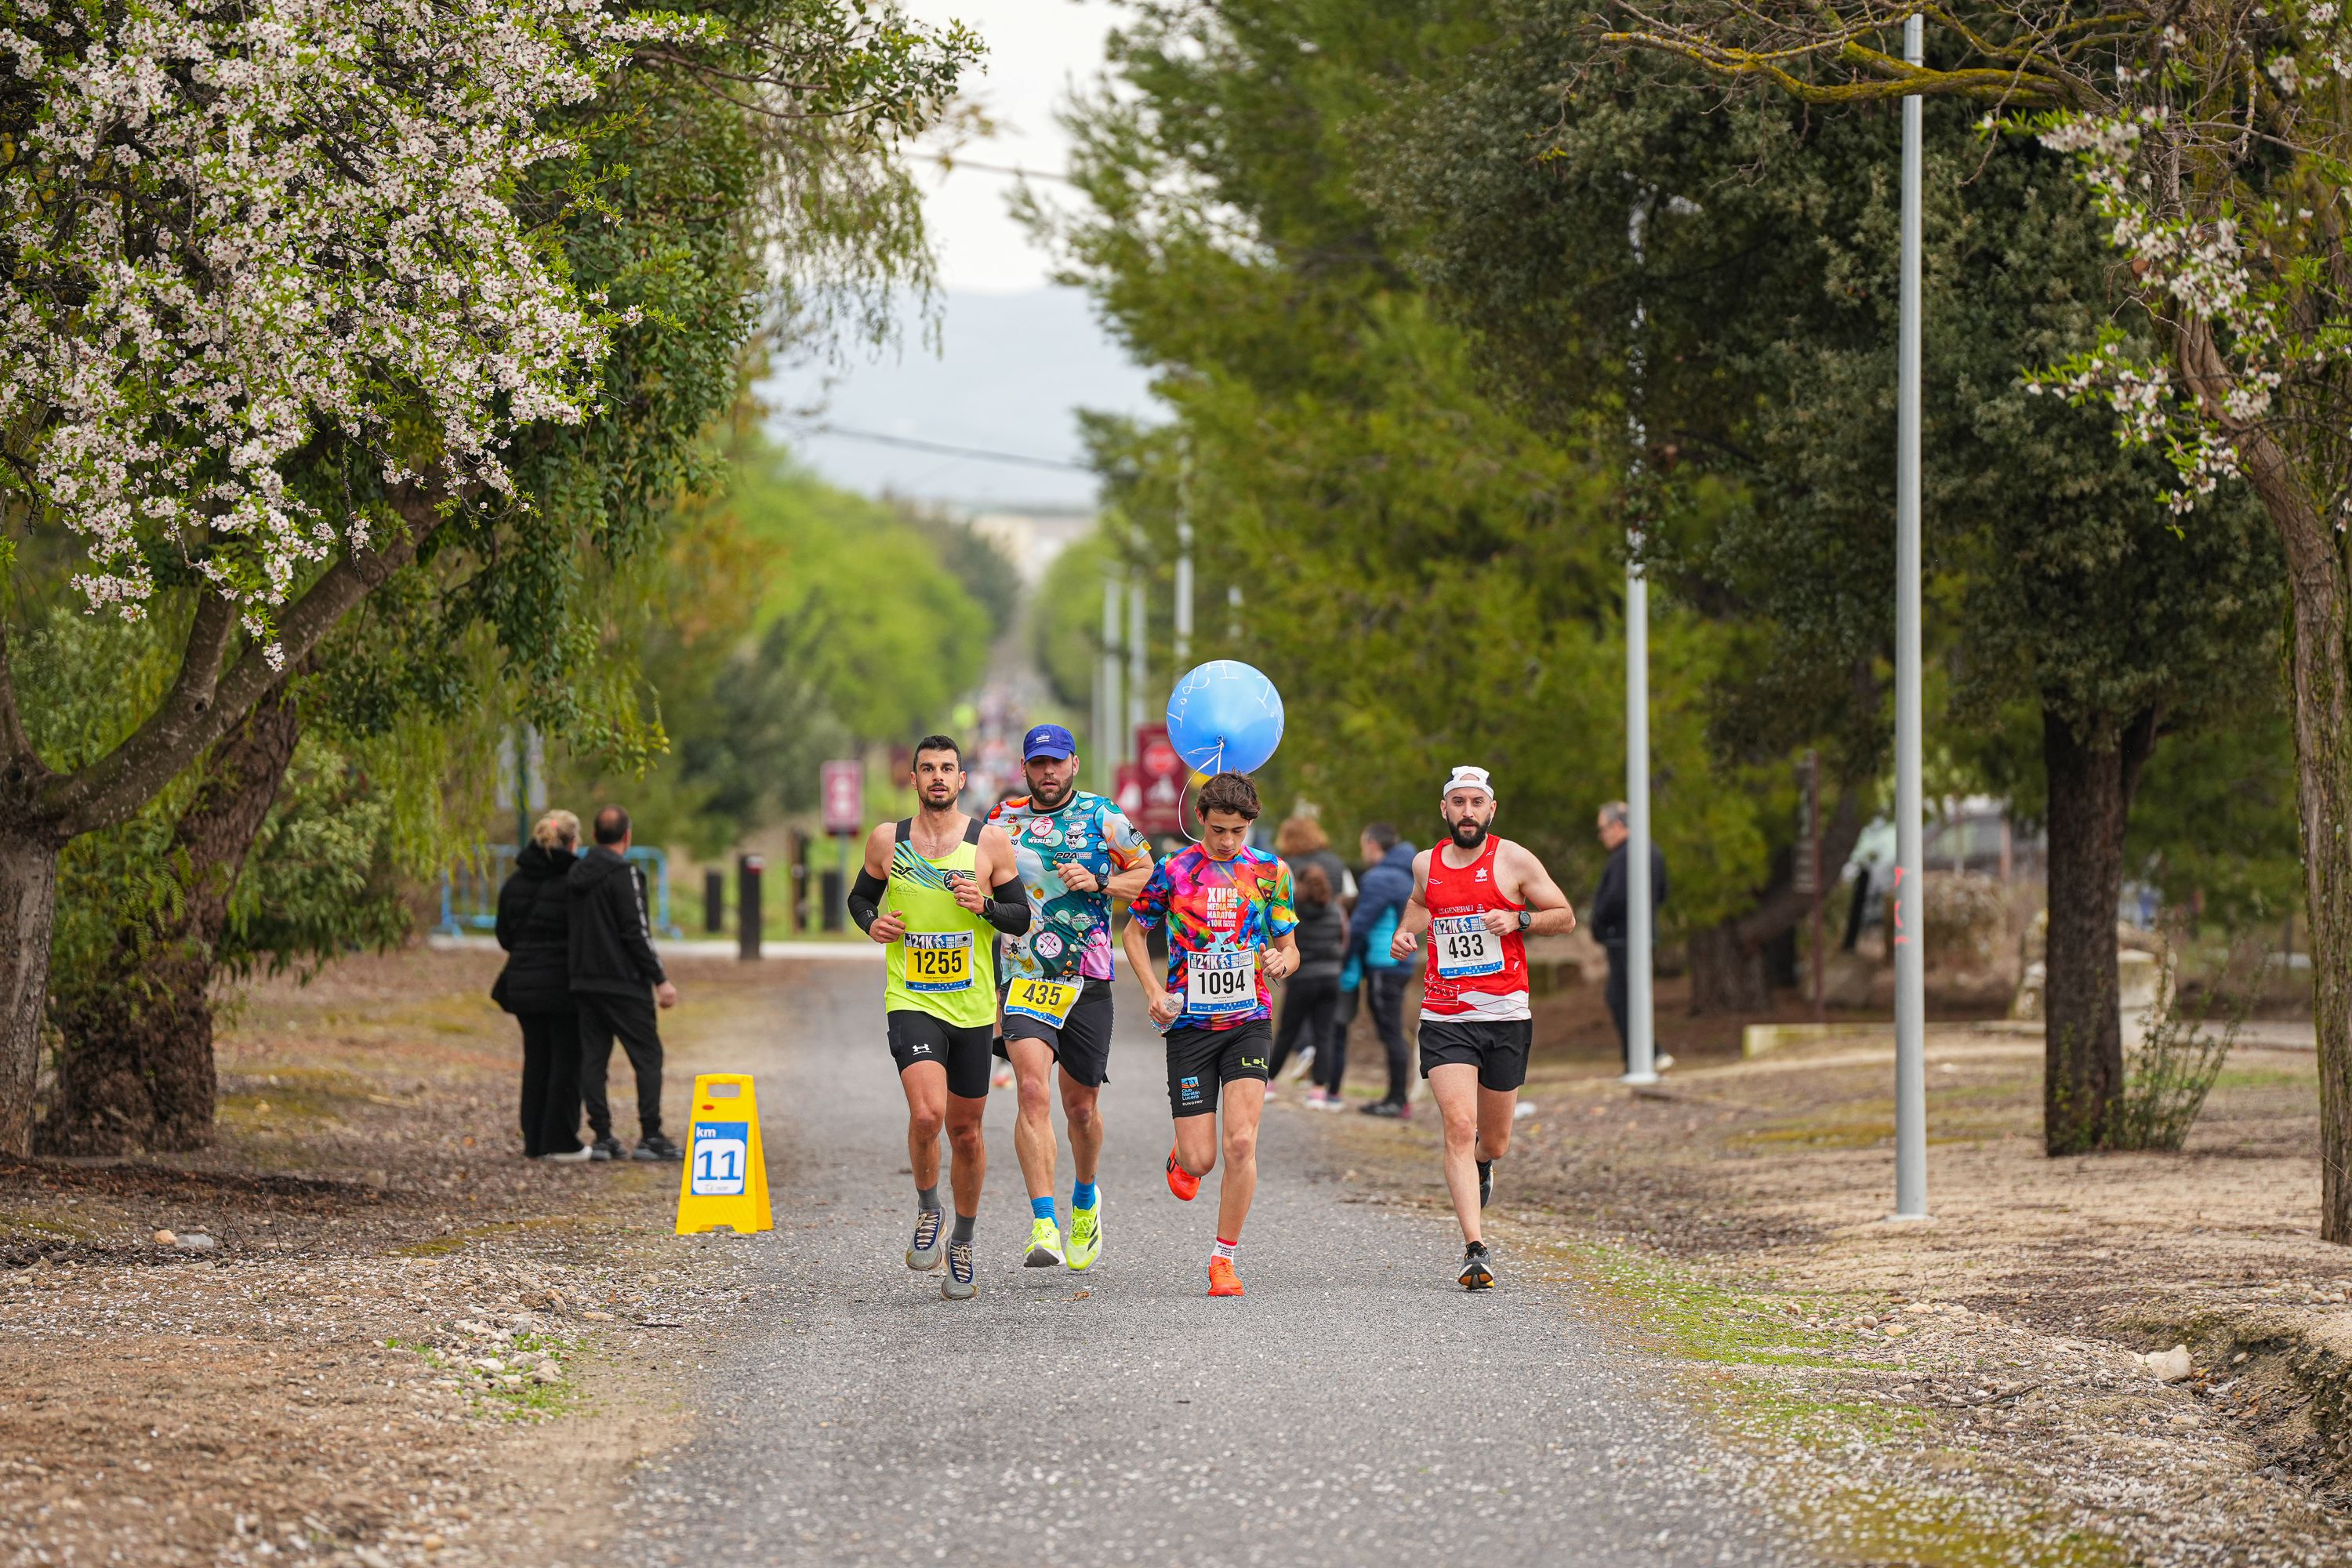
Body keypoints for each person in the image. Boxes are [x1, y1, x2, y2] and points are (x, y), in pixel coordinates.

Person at [848, 735, 1027, 1301]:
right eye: (928, 769)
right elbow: (860, 900)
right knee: (927, 1116)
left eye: (947, 768)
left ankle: (965, 1243)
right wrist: (872, 924)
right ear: (915, 779)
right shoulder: (888, 840)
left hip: (972, 1008)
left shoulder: (989, 843)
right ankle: (929, 1209)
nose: (938, 778)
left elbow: (1020, 917)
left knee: (967, 1133)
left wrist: (987, 907)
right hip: (912, 999)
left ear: (962, 777)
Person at [1391, 766, 1577, 1290]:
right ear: (1444, 810)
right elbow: (1420, 905)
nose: (1467, 811)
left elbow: (1564, 915)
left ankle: (1483, 1162)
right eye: (1459, 802)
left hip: (1504, 1015)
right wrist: (1405, 935)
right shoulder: (1425, 863)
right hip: (1446, 1013)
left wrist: (1520, 921)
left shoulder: (1514, 859)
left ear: (1490, 810)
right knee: (1456, 1123)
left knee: (1493, 1139)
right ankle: (1475, 1247)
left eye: (1476, 802)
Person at [1121, 771, 1300, 1298]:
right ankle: (1182, 1157)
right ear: (1201, 819)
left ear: (1250, 826)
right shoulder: (1174, 871)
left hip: (1248, 1022)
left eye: (1237, 832)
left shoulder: (1271, 872)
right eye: (1218, 830)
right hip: (1190, 1029)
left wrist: (1280, 961)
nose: (1226, 842)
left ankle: (1223, 1260)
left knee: (1242, 1142)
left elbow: (1290, 947)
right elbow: (1133, 933)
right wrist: (1153, 990)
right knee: (1201, 1160)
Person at [987, 724, 1153, 1272]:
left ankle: (1085, 1197)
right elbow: (975, 888)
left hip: (1087, 978)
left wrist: (1101, 883)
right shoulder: (1000, 822)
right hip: (1024, 975)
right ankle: (1043, 1224)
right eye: (1039, 764)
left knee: (1080, 1108)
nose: (1048, 773)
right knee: (1031, 1090)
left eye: (1057, 763)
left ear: (1075, 765)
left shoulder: (1105, 817)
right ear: (1025, 768)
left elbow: (1148, 876)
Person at [568, 806, 681, 1163]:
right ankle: (650, 1135)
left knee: (594, 1059)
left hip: (585, 982)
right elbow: (637, 931)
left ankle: (602, 1137)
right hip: (624, 983)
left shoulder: (574, 874)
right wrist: (660, 979)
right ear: (627, 837)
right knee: (647, 1056)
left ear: (596, 835)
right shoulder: (626, 874)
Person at [493, 810, 586, 1160]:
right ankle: (561, 1140)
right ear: (573, 842)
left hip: (522, 984)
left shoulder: (515, 882)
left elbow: (504, 935)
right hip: (563, 985)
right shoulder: (576, 881)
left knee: (536, 1059)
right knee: (566, 1060)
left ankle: (533, 1140)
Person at [1272, 815, 1351, 1097]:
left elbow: (1281, 919)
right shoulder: (1335, 866)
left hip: (1302, 965)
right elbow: (1346, 906)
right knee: (1326, 1030)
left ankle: (1273, 1077)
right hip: (1332, 969)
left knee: (1288, 1026)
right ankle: (1320, 1088)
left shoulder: (1285, 867)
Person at [1592, 800, 1672, 1075]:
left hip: (1623, 937)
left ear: (1617, 826)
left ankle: (1642, 1058)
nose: (1602, 836)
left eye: (1603, 829)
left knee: (1622, 997)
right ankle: (1648, 1054)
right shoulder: (1653, 852)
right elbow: (1662, 893)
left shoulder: (1625, 856)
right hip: (1640, 935)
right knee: (1629, 995)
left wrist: (1600, 921)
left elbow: (1614, 898)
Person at [1348, 822, 1418, 1118]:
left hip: (1384, 963)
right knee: (1395, 1030)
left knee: (1391, 1031)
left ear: (1373, 844)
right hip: (1401, 963)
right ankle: (1397, 1097)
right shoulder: (1407, 875)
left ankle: (1397, 1099)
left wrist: (1344, 960)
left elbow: (1360, 926)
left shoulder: (1379, 878)